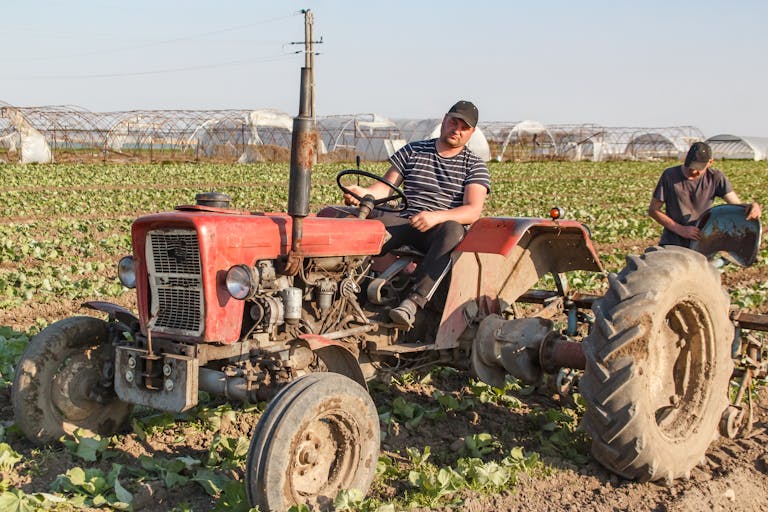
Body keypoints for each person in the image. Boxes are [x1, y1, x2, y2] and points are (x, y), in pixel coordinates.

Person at [343, 100, 491, 328]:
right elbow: (385, 189)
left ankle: (413, 302)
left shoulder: (474, 165)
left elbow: (472, 210)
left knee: (454, 229)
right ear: (445, 119)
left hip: (438, 231)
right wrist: (364, 194)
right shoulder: (414, 151)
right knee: (360, 223)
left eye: (464, 127)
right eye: (454, 122)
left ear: (471, 132)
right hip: (406, 220)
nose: (457, 130)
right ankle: (346, 288)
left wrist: (437, 216)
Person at [649, 141, 761, 247]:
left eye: (698, 168)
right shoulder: (670, 175)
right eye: (690, 167)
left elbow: (737, 206)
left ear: (710, 162)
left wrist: (752, 206)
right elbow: (653, 210)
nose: (693, 172)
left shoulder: (716, 178)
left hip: (702, 241)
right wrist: (680, 229)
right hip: (672, 241)